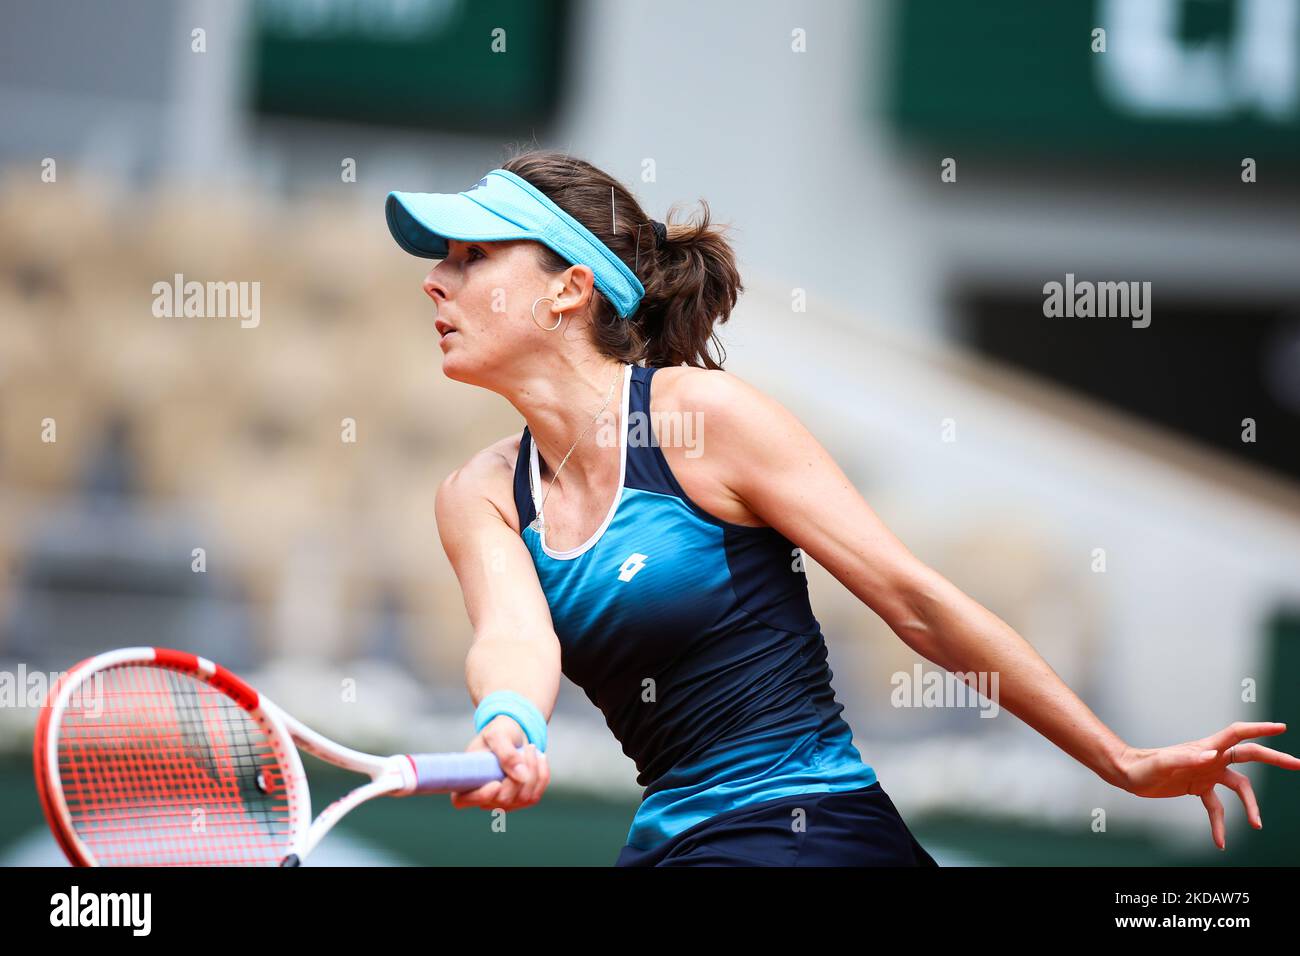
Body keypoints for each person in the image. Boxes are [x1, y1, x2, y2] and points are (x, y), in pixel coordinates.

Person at [384, 149, 1298, 865]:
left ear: (568, 287)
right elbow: (514, 638)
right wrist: (511, 726)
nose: (436, 279)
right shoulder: (477, 497)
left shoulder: (702, 421)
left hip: (808, 827)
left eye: (471, 258)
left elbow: (914, 601)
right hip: (678, 841)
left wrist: (1120, 760)